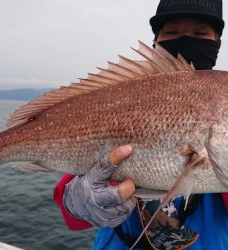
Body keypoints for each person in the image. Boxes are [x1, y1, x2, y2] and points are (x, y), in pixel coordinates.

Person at [54, 0, 228, 249]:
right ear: (156, 40)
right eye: (172, 31)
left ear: (217, 42)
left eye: (200, 33)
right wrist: (75, 204)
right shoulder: (125, 97)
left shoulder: (222, 98)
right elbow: (72, 217)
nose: (186, 41)